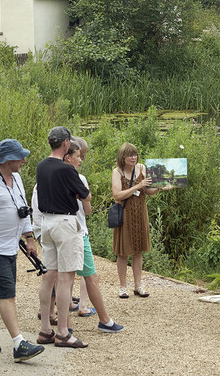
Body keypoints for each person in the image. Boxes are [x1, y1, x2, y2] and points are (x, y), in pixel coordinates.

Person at [0, 139, 45, 362]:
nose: (24, 160)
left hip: (11, 246)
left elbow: (22, 211)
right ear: (8, 159)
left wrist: (29, 239)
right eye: (21, 157)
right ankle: (19, 343)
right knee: (7, 295)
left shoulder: (17, 178)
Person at [60, 137, 125, 333]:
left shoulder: (62, 177)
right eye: (79, 156)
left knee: (64, 277)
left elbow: (87, 209)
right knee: (86, 277)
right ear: (68, 157)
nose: (81, 161)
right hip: (76, 232)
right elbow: (85, 205)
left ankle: (63, 324)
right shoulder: (75, 179)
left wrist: (86, 196)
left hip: (72, 230)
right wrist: (84, 195)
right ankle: (104, 320)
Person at [35, 126, 91, 349]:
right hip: (65, 223)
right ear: (66, 143)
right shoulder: (68, 170)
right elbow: (85, 195)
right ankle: (63, 333)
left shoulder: (41, 166)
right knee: (66, 278)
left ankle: (45, 329)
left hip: (46, 223)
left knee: (49, 275)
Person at [111, 142, 166, 298]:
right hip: (125, 215)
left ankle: (138, 285)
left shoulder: (142, 168)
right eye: (130, 155)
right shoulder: (117, 172)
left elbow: (148, 191)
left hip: (140, 213)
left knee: (138, 250)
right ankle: (122, 287)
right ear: (123, 157)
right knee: (123, 252)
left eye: (135, 154)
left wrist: (160, 187)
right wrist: (137, 186)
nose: (133, 157)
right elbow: (117, 195)